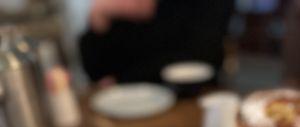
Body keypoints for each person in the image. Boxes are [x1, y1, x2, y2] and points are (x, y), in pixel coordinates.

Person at [79, 0, 234, 83]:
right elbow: (95, 71)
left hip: (194, 99)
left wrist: (124, 79)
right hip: (128, 105)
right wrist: (99, 16)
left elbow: (202, 56)